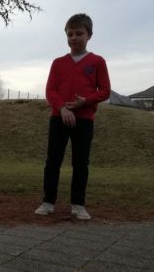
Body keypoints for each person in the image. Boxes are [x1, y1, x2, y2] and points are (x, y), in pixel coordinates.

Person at [35, 13, 110, 221]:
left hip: (84, 120)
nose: (74, 38)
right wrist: (63, 109)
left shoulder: (97, 62)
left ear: (89, 35)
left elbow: (105, 91)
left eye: (79, 33)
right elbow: (50, 90)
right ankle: (48, 202)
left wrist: (84, 102)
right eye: (70, 34)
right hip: (59, 118)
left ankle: (78, 205)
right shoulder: (58, 63)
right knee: (53, 162)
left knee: (80, 163)